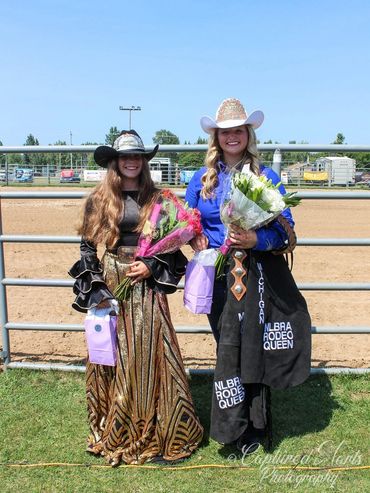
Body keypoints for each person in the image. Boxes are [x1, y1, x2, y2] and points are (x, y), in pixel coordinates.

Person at [69, 130, 203, 466]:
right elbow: (87, 249)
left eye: (138, 156)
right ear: (115, 162)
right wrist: (97, 288)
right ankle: (114, 426)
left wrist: (151, 264)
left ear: (144, 162)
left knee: (149, 354)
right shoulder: (98, 199)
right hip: (113, 280)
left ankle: (157, 429)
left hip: (147, 283)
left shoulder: (159, 199)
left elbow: (174, 245)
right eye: (125, 156)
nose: (132, 161)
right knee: (110, 353)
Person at [185, 98, 310, 454]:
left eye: (238, 130)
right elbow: (186, 219)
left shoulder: (266, 178)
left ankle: (255, 426)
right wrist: (194, 236)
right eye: (225, 132)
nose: (232, 137)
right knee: (227, 346)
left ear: (247, 134)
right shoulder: (202, 179)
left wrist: (257, 238)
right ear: (217, 137)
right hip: (218, 274)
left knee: (254, 348)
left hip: (257, 277)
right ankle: (232, 422)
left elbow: (287, 231)